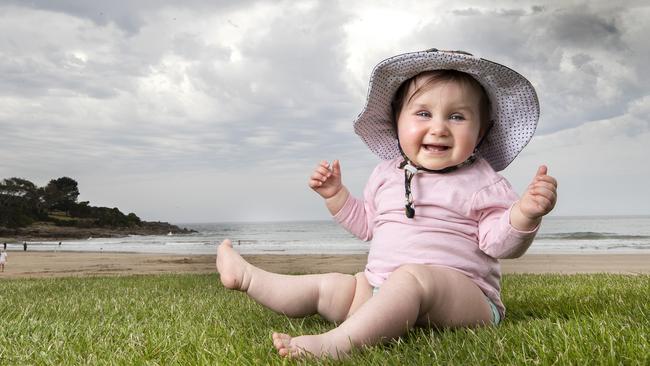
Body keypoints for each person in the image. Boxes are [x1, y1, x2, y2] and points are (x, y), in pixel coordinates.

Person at [216, 49, 558, 359]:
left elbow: (498, 243)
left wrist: (524, 212)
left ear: (482, 132)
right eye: (423, 113)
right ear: (397, 124)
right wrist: (336, 196)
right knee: (332, 286)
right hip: (381, 289)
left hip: (466, 300)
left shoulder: (484, 182)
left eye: (457, 117)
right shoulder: (386, 174)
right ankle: (248, 278)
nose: (438, 128)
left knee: (412, 277)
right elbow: (367, 225)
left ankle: (337, 345)